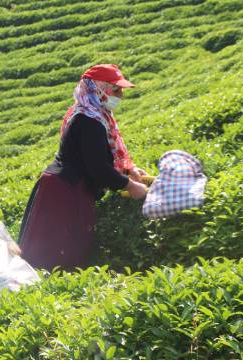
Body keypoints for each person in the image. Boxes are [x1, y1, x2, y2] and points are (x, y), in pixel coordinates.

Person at [18, 64, 148, 271]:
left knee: (63, 250)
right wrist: (129, 186)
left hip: (68, 185)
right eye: (116, 89)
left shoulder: (95, 115)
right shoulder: (89, 121)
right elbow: (97, 168)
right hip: (64, 191)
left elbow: (98, 157)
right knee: (56, 253)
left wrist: (127, 171)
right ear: (99, 89)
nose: (121, 95)